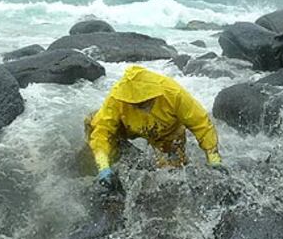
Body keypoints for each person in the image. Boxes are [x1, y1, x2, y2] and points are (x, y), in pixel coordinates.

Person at [85, 65, 224, 191]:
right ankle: (113, 169)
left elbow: (201, 124)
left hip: (166, 132)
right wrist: (103, 167)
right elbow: (102, 132)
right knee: (92, 122)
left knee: (172, 175)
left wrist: (214, 160)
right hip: (127, 127)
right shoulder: (116, 98)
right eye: (135, 103)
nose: (141, 105)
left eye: (145, 101)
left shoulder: (173, 92)